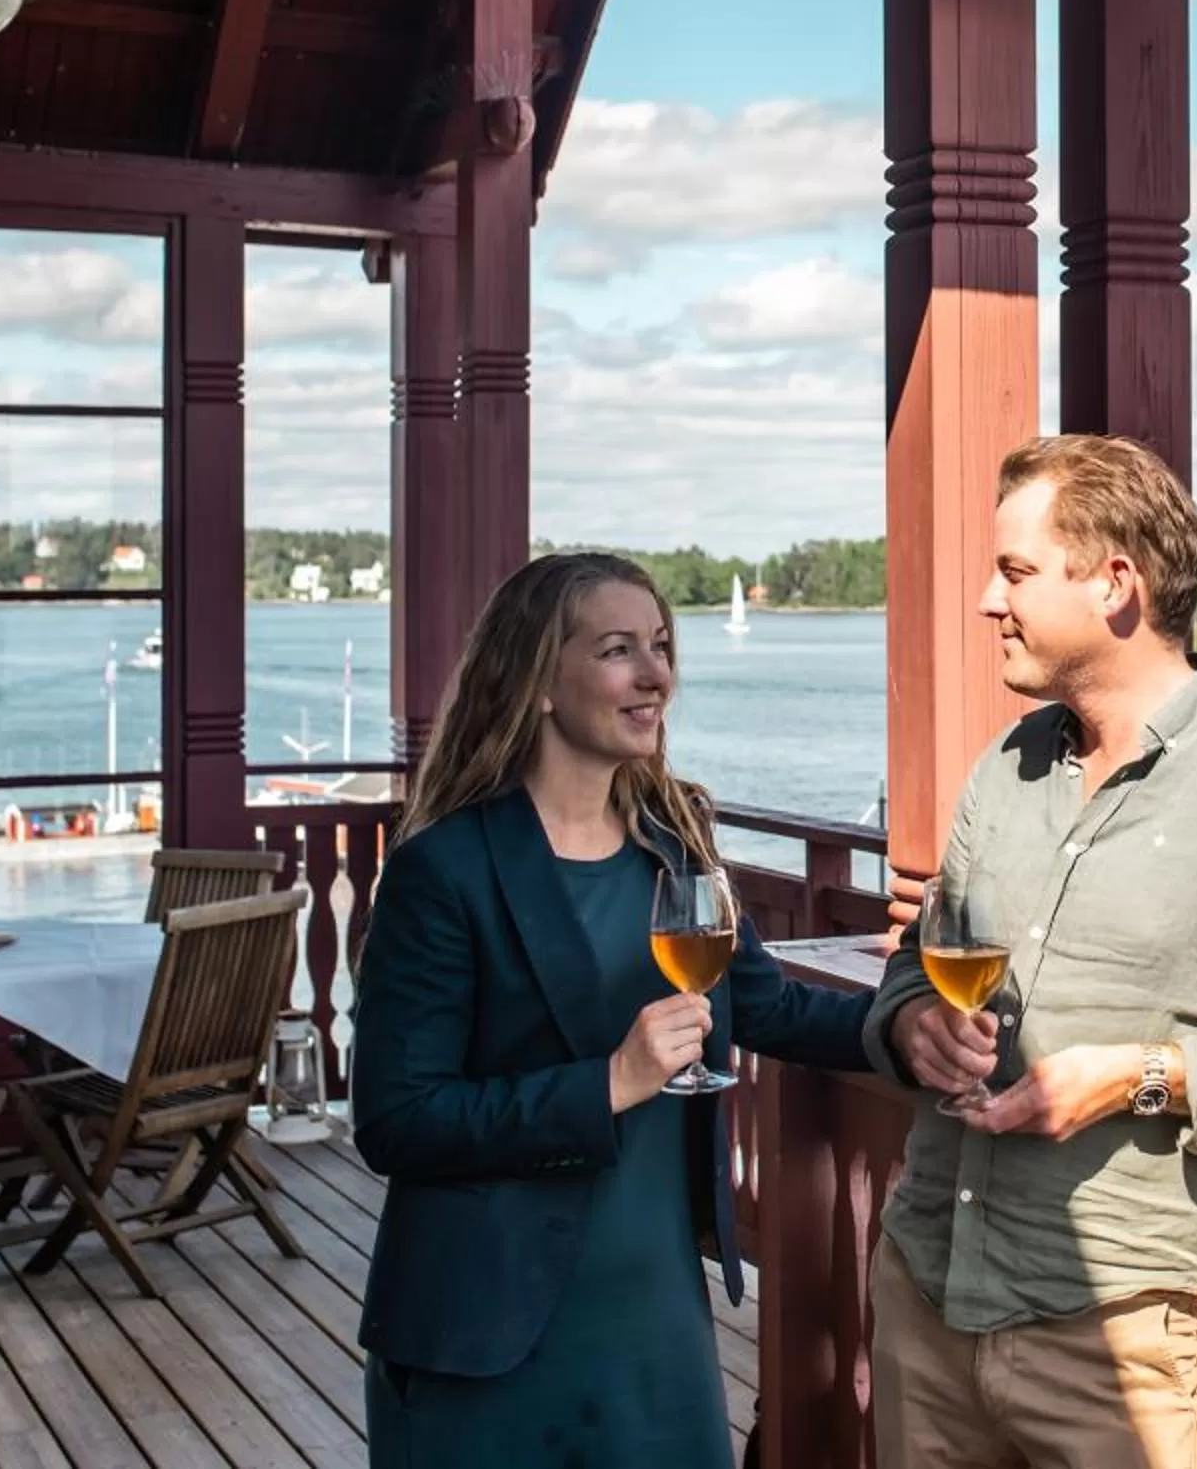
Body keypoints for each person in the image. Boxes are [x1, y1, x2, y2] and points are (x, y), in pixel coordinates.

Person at [865, 435, 1197, 1468]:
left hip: (1114, 1336)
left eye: (1014, 571)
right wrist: (911, 1021)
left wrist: (1137, 1077)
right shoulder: (1008, 762)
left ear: (1116, 584)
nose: (985, 599)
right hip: (926, 1288)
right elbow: (914, 967)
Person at [353, 552, 869, 1468]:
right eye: (619, 650)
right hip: (485, 1333)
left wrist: (904, 1028)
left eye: (662, 647)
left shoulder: (676, 847)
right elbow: (396, 1122)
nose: (656, 674)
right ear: (539, 683)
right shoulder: (443, 871)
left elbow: (767, 1004)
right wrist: (609, 1084)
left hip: (654, 1319)